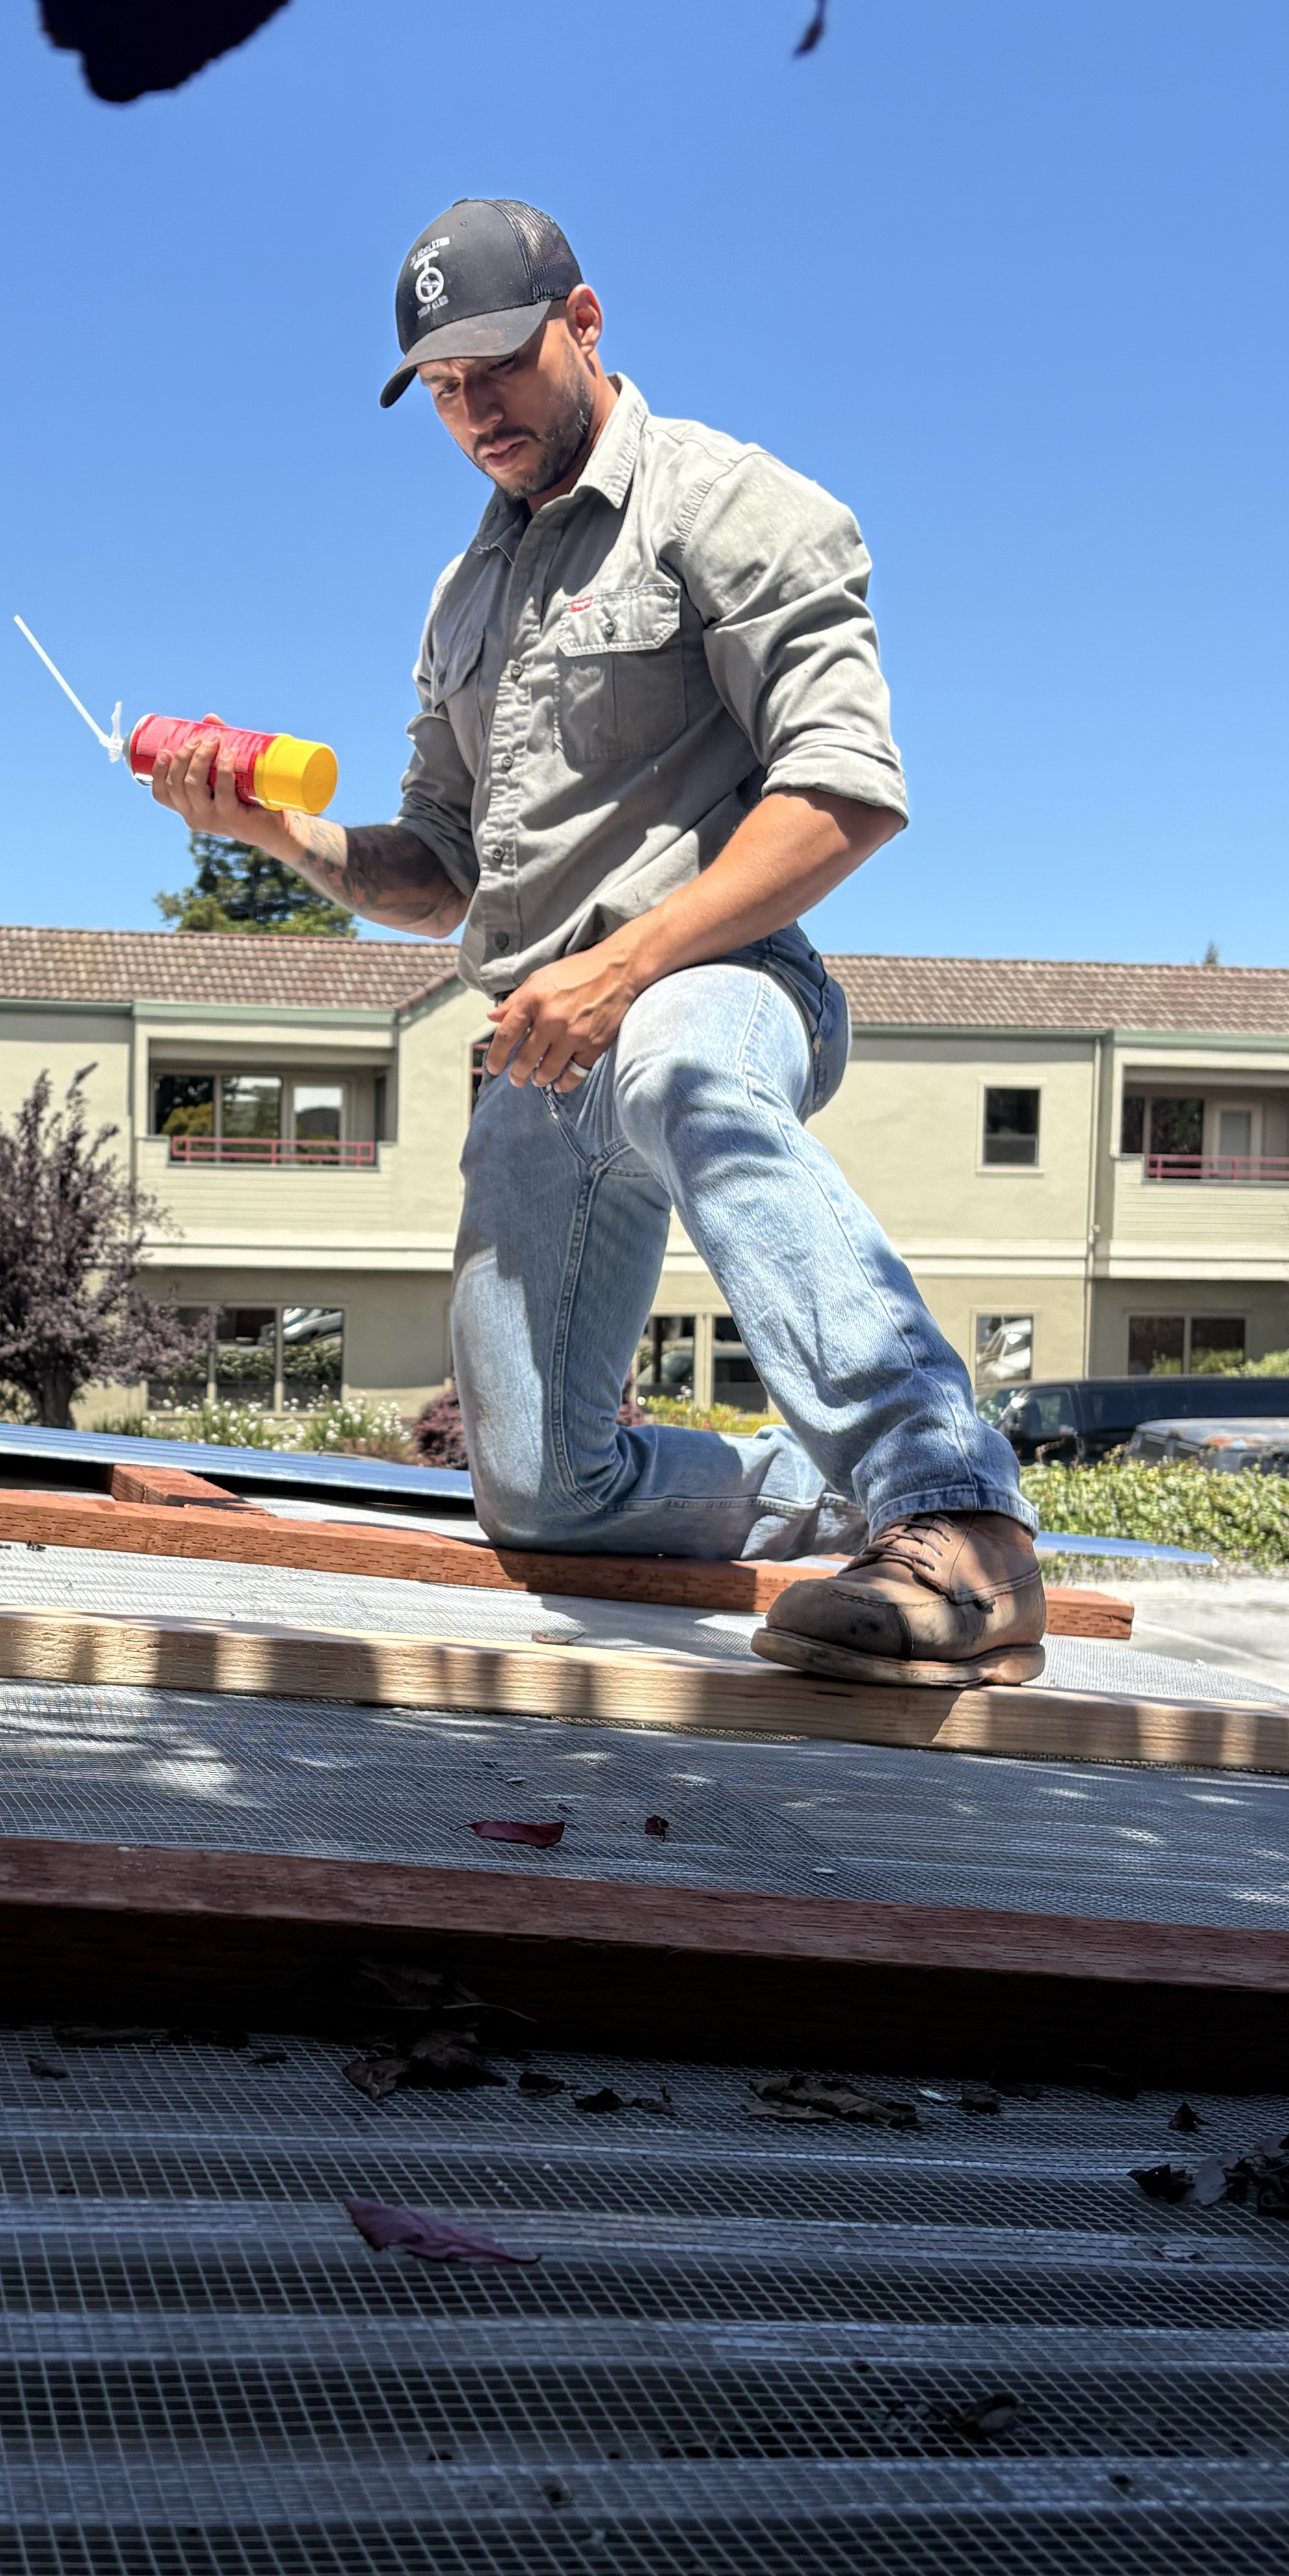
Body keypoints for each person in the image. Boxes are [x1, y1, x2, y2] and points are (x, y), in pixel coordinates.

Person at [143, 198, 1043, 1689]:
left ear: (585, 322)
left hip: (715, 983)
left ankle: (956, 1518)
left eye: (496, 362)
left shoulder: (729, 505)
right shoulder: (463, 601)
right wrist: (284, 841)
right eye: (439, 388)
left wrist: (629, 965)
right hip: (534, 1046)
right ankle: (816, 1492)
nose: (473, 407)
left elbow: (845, 795)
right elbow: (441, 870)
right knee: (547, 1496)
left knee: (680, 1070)